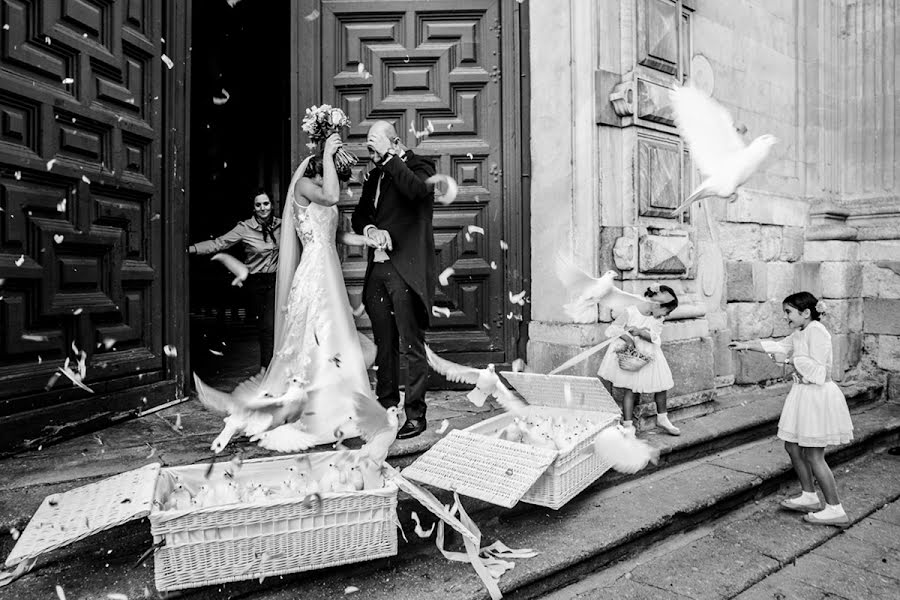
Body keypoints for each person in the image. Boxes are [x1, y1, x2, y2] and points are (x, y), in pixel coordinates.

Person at [194, 133, 385, 451]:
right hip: (314, 271)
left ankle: (337, 405)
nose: (336, 173)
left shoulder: (322, 187)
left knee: (332, 337)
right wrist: (326, 153)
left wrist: (366, 240)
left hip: (329, 269)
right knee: (310, 337)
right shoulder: (305, 186)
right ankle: (307, 409)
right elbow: (332, 198)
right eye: (333, 166)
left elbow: (337, 234)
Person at [729, 292, 853, 527]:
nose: (785, 316)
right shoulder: (800, 332)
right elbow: (778, 346)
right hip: (803, 395)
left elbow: (818, 369)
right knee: (792, 445)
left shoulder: (817, 331)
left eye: (788, 312)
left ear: (806, 312)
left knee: (814, 454)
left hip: (817, 396)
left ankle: (835, 509)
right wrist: (746, 345)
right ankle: (809, 496)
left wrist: (790, 361)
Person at [351, 121, 436, 440]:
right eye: (369, 146)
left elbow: (415, 192)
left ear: (395, 142)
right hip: (378, 271)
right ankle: (386, 407)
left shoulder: (420, 166)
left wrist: (389, 157)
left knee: (410, 344)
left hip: (406, 270)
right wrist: (370, 231)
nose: (369, 151)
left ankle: (415, 413)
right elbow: (360, 216)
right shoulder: (374, 175)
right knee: (384, 344)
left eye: (375, 144)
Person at [189, 189, 280, 367]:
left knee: (279, 326)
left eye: (266, 203)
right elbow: (219, 243)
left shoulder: (283, 225)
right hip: (257, 283)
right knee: (267, 327)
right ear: (253, 208)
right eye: (258, 205)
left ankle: (281, 370)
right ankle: (267, 370)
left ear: (272, 205)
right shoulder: (244, 228)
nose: (263, 208)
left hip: (278, 280)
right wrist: (191, 248)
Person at [597, 286, 681, 437]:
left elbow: (656, 337)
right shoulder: (631, 311)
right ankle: (628, 425)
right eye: (666, 311)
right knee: (630, 389)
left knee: (661, 385)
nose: (666, 315)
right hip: (631, 353)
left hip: (650, 353)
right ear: (657, 305)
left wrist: (642, 332)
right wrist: (628, 338)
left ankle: (662, 418)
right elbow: (612, 330)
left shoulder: (658, 317)